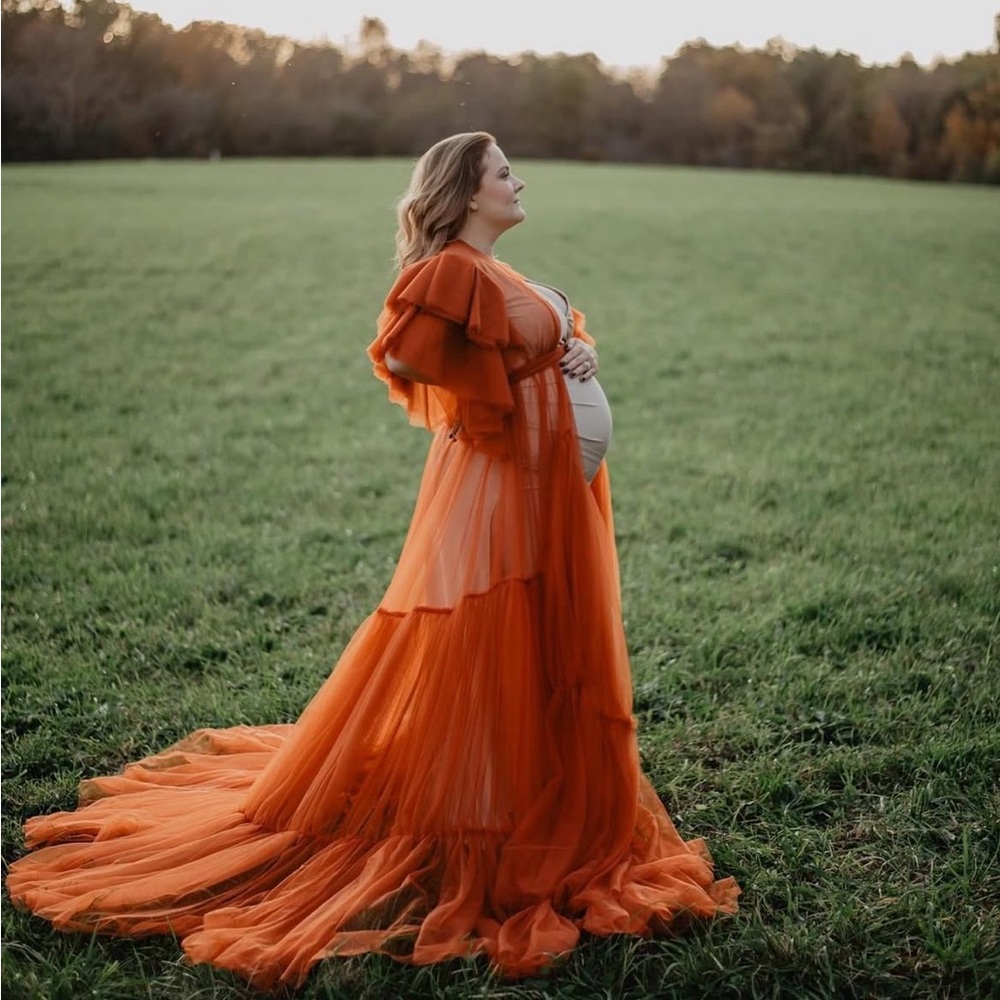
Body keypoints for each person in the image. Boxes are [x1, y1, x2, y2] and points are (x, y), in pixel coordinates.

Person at [6, 132, 739, 990]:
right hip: (505, 487)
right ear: (466, 193)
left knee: (542, 638)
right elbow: (404, 353)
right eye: (504, 172)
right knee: (493, 631)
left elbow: (535, 342)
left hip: (551, 488)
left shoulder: (498, 274)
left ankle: (527, 791)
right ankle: (484, 811)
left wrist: (577, 354)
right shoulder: (452, 271)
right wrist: (496, 384)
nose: (518, 180)